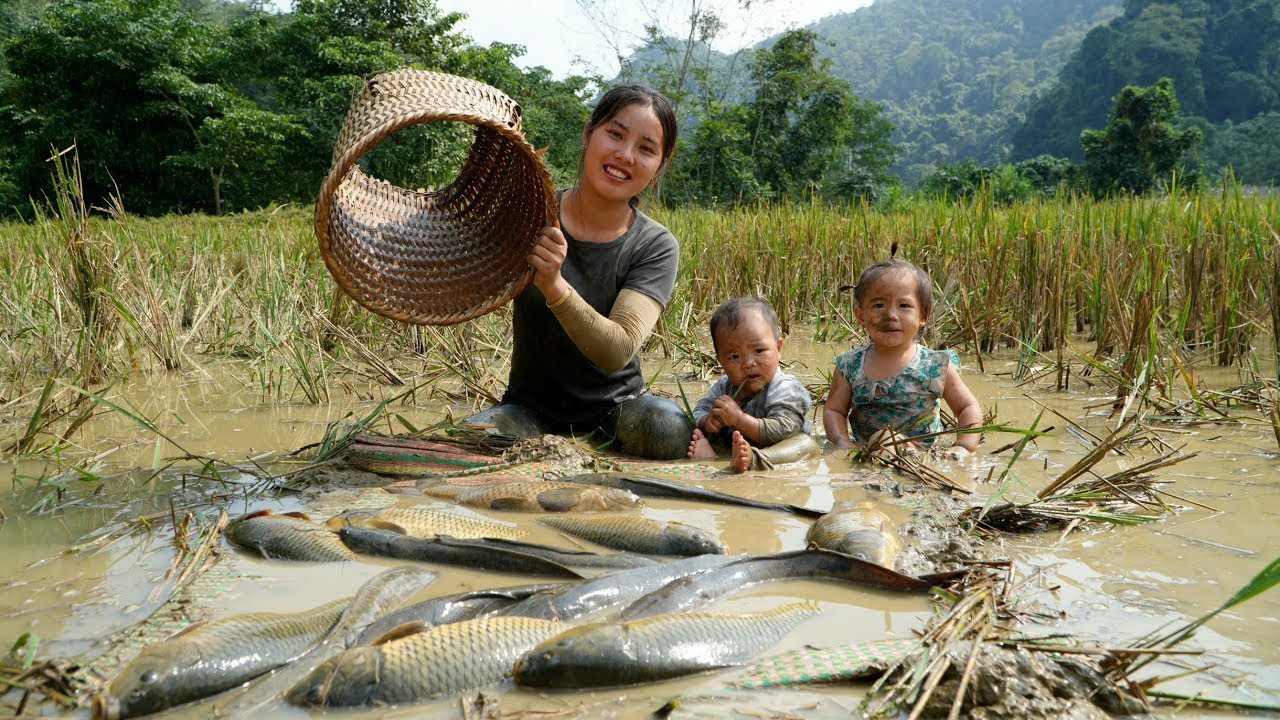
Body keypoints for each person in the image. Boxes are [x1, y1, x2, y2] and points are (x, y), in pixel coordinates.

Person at [463, 85, 692, 459]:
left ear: (658, 167)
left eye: (646, 148)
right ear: (589, 135)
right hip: (530, 409)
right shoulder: (534, 214)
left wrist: (554, 286)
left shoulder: (655, 245)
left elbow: (618, 349)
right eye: (615, 135)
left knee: (667, 431)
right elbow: (465, 276)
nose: (625, 155)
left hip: (617, 408)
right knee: (477, 437)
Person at [823, 258, 981, 459]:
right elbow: (834, 411)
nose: (891, 315)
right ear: (861, 316)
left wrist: (963, 447)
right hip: (869, 455)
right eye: (878, 305)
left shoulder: (936, 365)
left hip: (923, 458)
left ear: (924, 315)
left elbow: (968, 407)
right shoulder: (850, 366)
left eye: (904, 305)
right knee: (883, 441)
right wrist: (843, 444)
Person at [687, 297, 820, 473]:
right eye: (734, 356)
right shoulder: (722, 388)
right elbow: (698, 412)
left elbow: (784, 430)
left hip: (777, 453)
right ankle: (712, 458)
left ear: (778, 348)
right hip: (737, 449)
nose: (748, 363)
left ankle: (753, 459)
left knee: (807, 445)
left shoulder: (785, 387)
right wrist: (707, 422)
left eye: (759, 351)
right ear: (721, 362)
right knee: (694, 432)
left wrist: (738, 419)